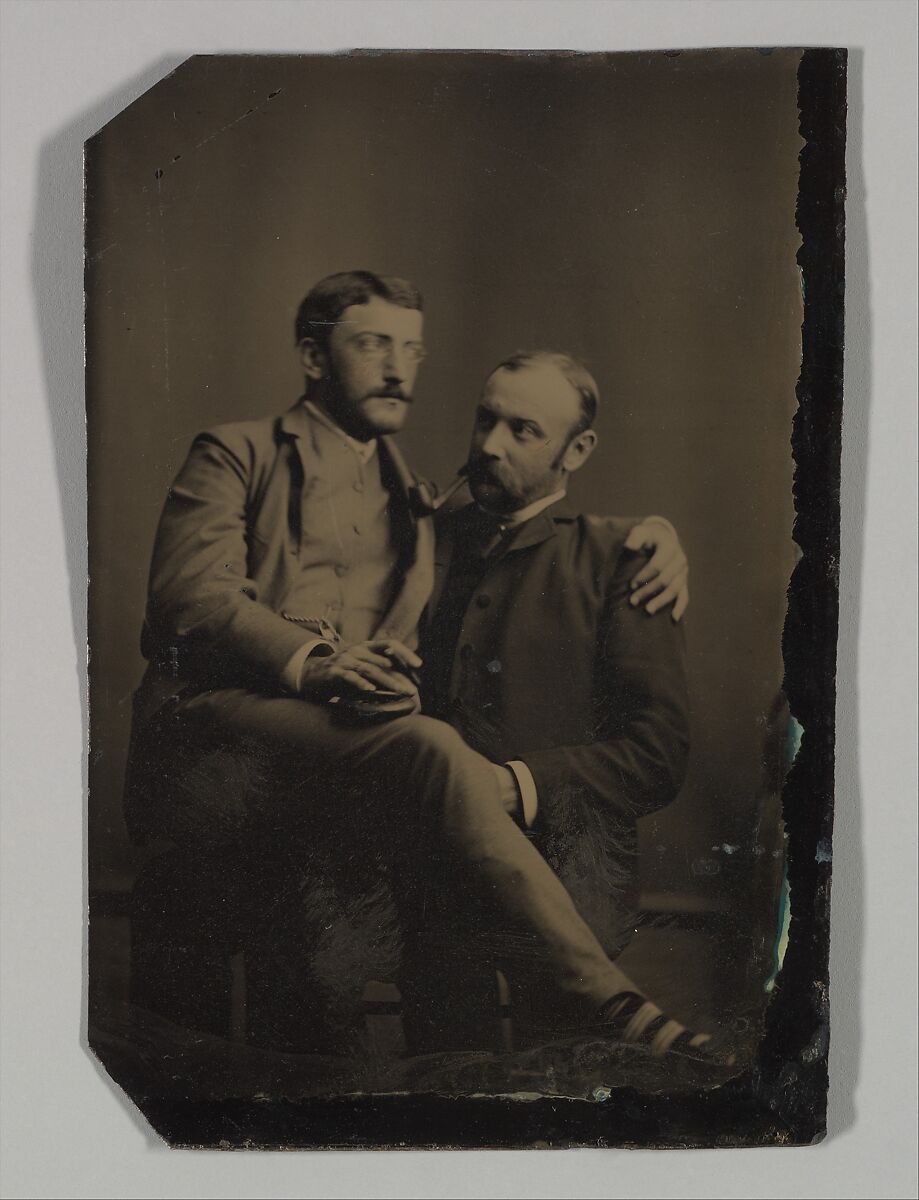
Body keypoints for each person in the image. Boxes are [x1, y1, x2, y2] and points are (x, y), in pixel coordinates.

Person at [125, 270, 720, 1065]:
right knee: (430, 747)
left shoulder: (427, 504)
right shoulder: (238, 453)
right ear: (312, 354)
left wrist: (655, 534)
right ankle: (608, 1001)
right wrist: (316, 661)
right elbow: (190, 601)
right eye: (373, 345)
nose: (399, 369)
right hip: (219, 735)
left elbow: (652, 738)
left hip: (362, 775)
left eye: (412, 349)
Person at [410, 350, 693, 1051]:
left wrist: (517, 786)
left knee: (558, 1095)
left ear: (578, 449)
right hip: (426, 875)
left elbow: (657, 755)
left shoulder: (621, 557)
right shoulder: (419, 539)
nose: (487, 445)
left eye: (522, 430)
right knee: (439, 1079)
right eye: (484, 419)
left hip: (568, 871)